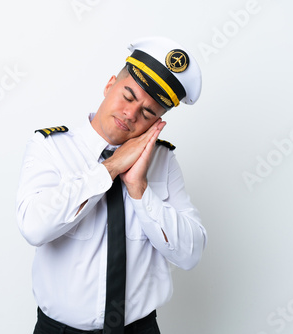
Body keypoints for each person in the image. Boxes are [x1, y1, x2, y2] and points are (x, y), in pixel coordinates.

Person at [16, 36, 207, 334]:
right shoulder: (51, 148)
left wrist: (140, 189)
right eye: (128, 97)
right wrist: (112, 168)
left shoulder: (163, 162)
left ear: (158, 122)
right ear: (109, 86)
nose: (131, 114)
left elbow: (190, 254)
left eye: (147, 113)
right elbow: (34, 228)